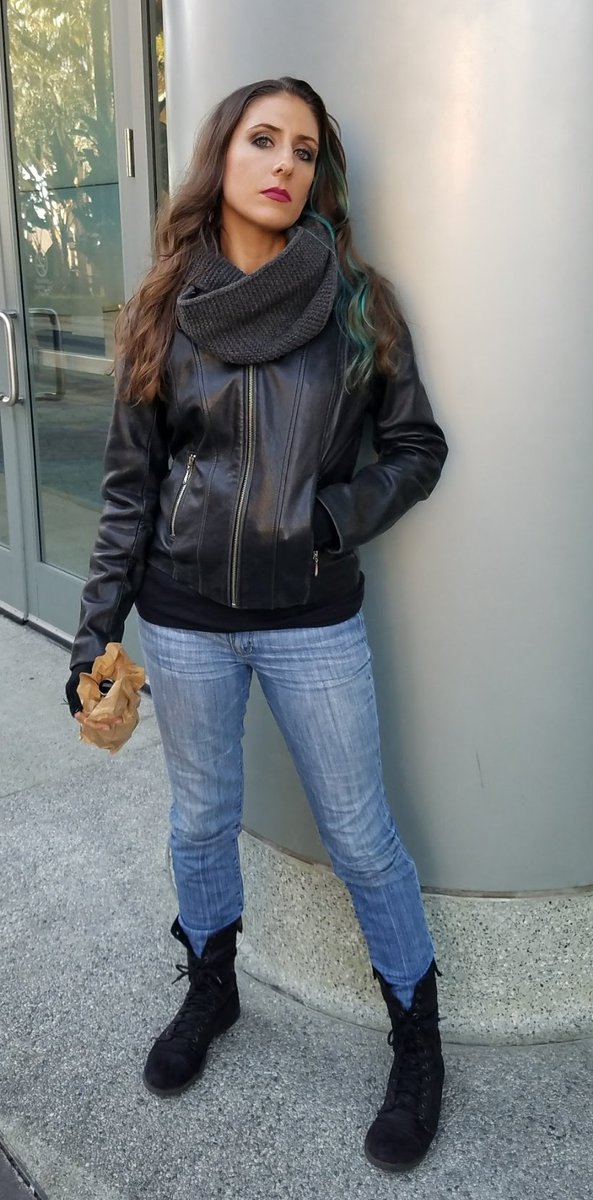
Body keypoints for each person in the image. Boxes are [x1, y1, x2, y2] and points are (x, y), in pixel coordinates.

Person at [65, 76, 448, 1173]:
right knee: (199, 822)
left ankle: (415, 1040)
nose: (283, 162)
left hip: (311, 619)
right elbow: (130, 491)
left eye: (303, 149)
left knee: (361, 838)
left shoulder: (357, 302)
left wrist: (328, 520)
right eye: (262, 139)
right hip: (183, 619)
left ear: (317, 175)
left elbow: (415, 448)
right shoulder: (164, 307)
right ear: (221, 156)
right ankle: (212, 989)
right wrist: (95, 631)